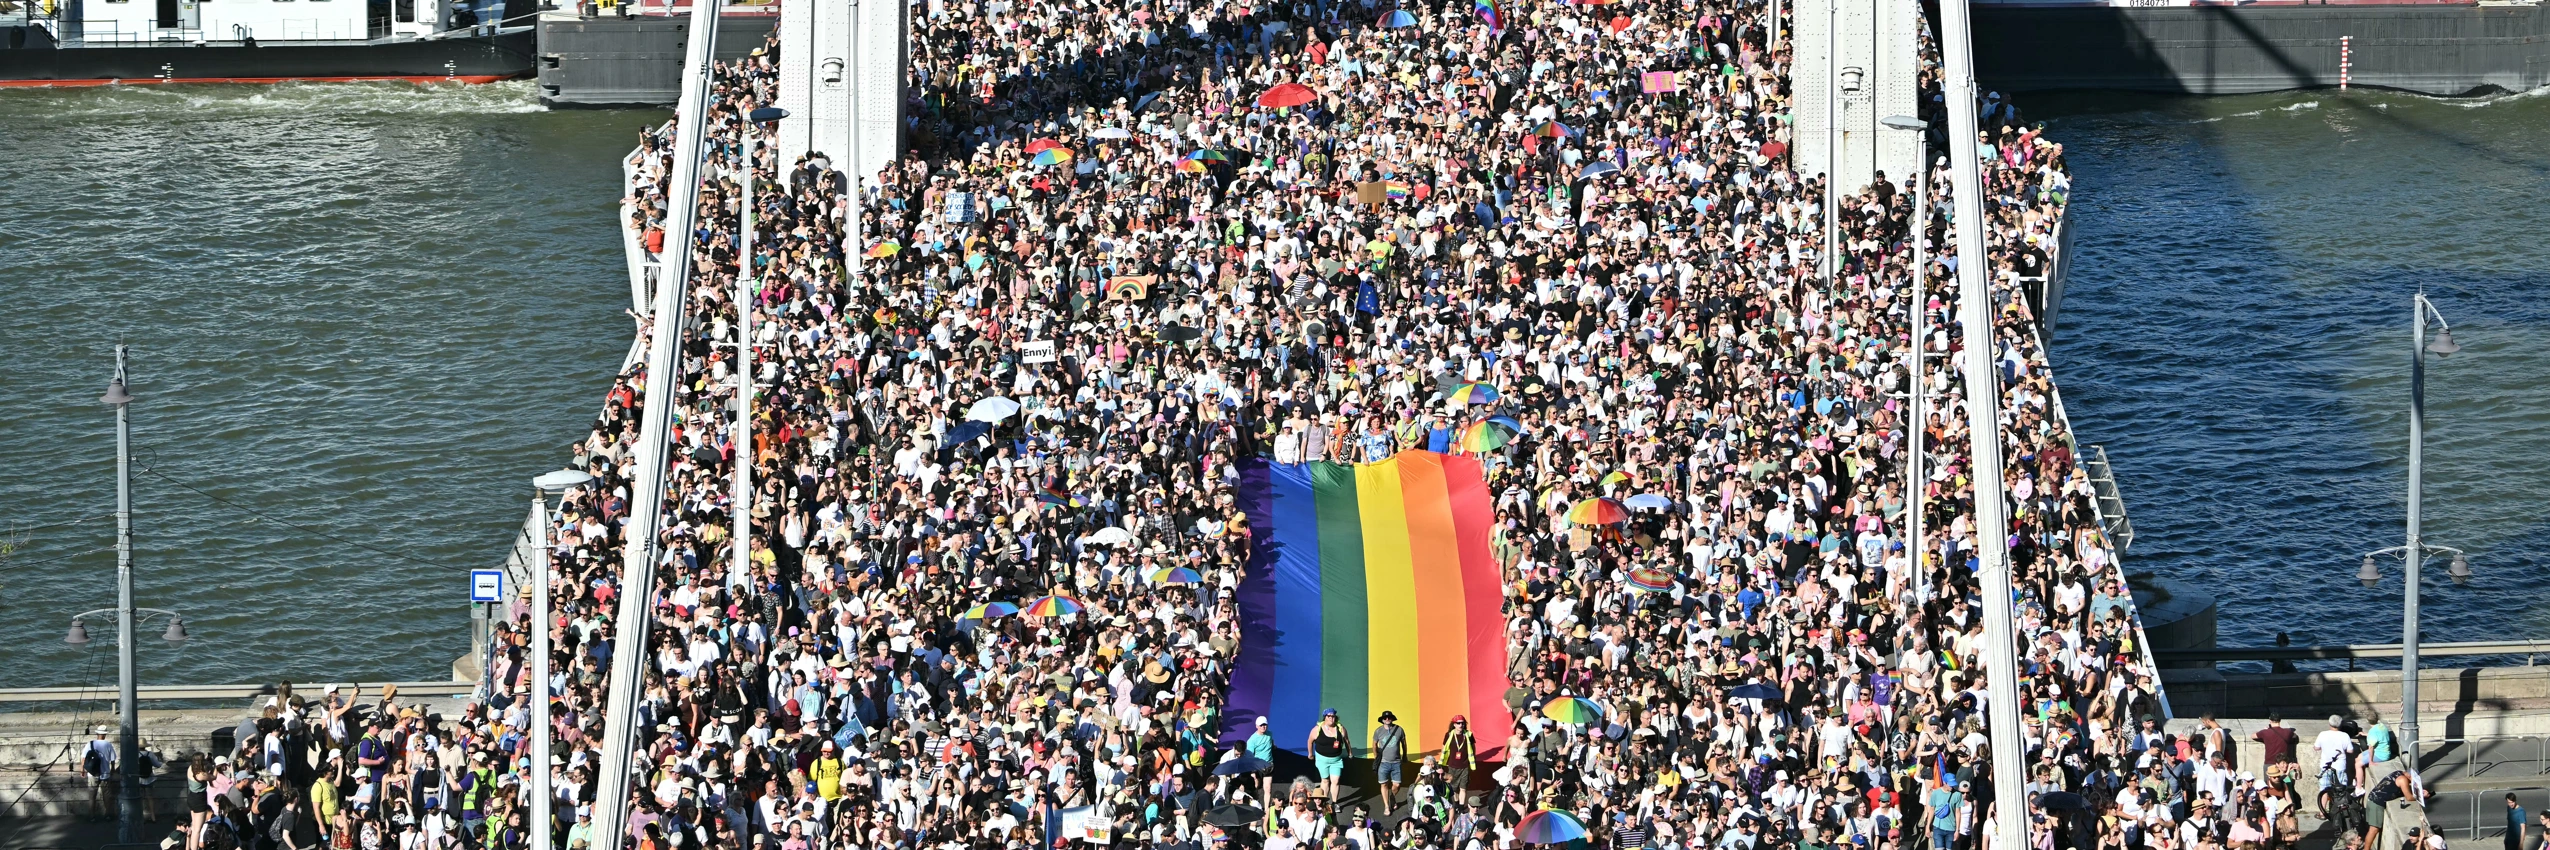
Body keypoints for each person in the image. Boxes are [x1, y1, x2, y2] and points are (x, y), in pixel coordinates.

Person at [1309, 710, 1349, 813]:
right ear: (1325, 717)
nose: (1331, 718)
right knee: (1325, 780)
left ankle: (1334, 803)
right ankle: (1324, 802)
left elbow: (1347, 741)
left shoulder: (1340, 728)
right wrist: (1310, 754)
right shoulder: (1317, 729)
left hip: (1336, 760)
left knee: (1335, 781)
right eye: (1329, 716)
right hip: (1322, 760)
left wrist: (1350, 753)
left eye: (1333, 716)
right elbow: (1310, 741)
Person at [1371, 711, 1406, 815]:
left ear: (1392, 719)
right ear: (1382, 720)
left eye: (1389, 717)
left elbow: (1404, 743)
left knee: (1397, 785)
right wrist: (1376, 756)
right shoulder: (1378, 731)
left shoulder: (1399, 729)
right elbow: (1374, 744)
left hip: (1396, 762)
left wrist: (1405, 755)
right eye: (1385, 718)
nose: (1387, 719)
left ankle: (1392, 796)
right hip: (1383, 763)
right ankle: (1386, 806)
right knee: (1384, 784)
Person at [85, 724, 116, 822]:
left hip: (92, 773)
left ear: (97, 734)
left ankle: (92, 816)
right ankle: (107, 815)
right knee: (106, 795)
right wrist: (113, 769)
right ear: (105, 735)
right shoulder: (108, 744)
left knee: (92, 796)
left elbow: (83, 758)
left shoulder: (90, 744)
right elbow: (112, 759)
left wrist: (83, 770)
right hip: (105, 774)